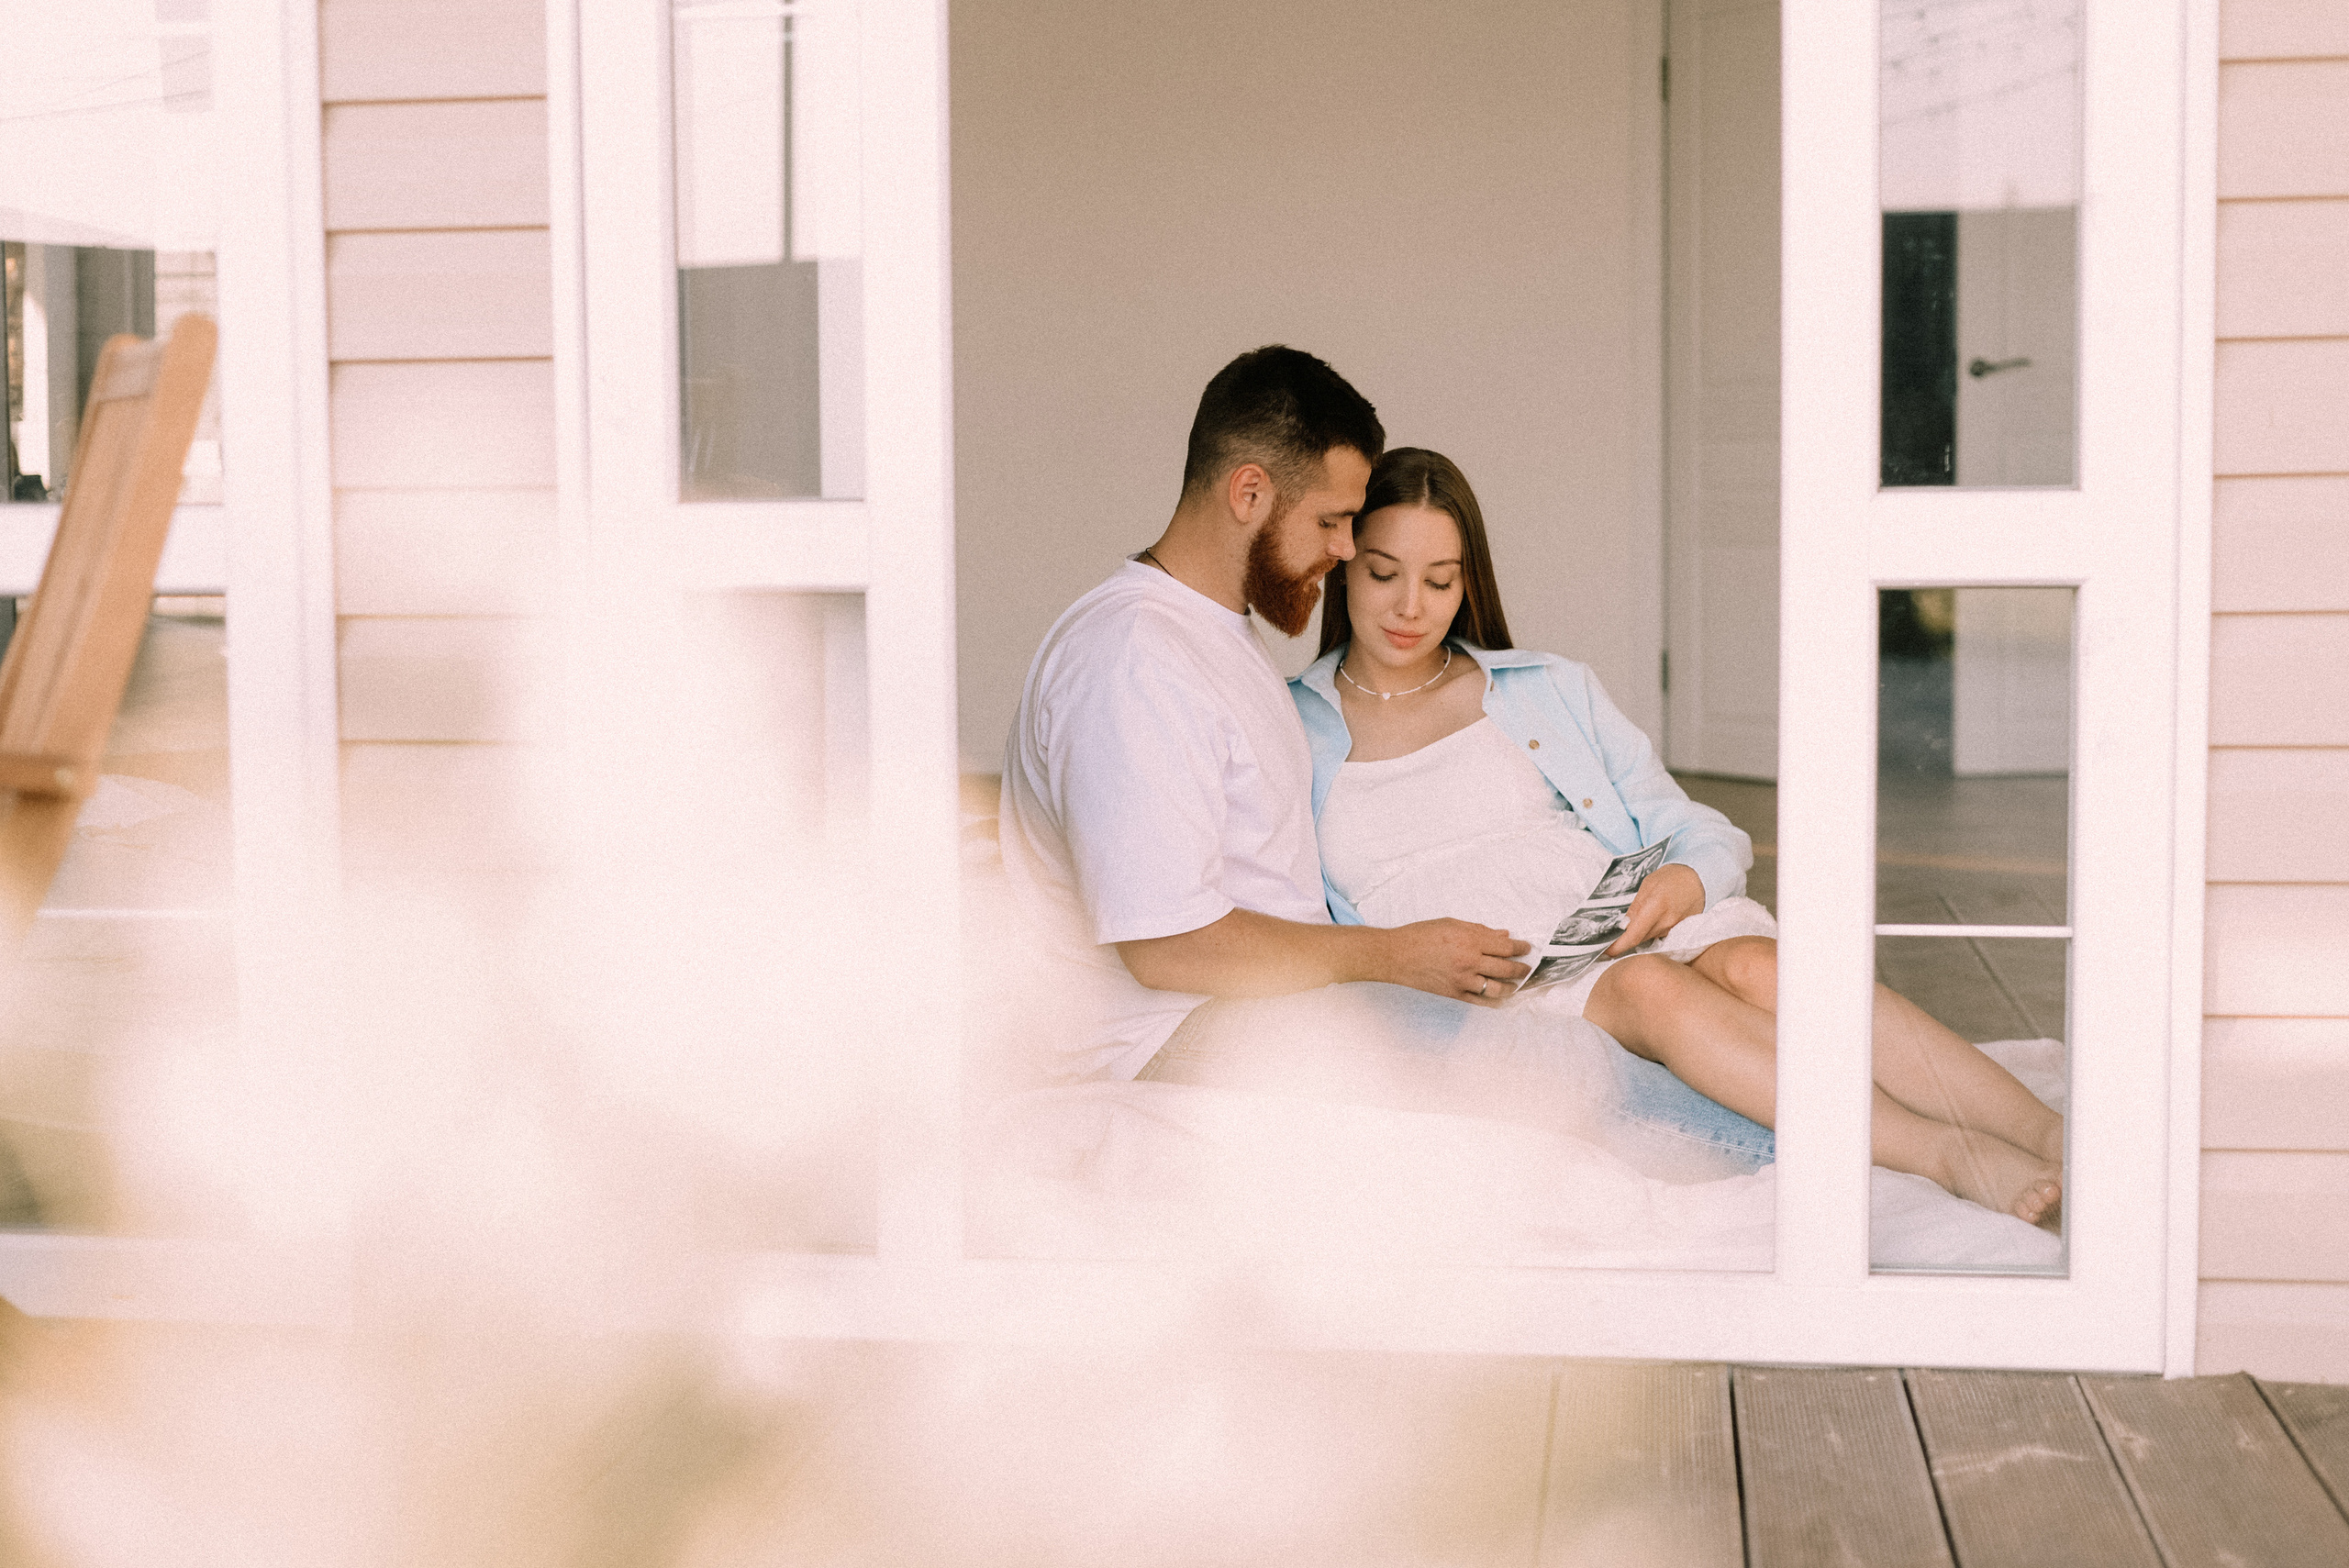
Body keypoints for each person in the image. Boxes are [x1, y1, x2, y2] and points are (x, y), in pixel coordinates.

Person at [1289, 448, 2065, 1226]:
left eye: (1440, 579)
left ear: (1468, 581)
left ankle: (2047, 1131)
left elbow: (1694, 826)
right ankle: (1941, 1150)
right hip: (1491, 974)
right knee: (1648, 988)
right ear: (1345, 561)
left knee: (1756, 966)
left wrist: (1686, 881)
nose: (1410, 607)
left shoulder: (1544, 687)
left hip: (1611, 916)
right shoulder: (1288, 723)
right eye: (1385, 573)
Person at [996, 347, 1533, 1087]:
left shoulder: (1213, 633)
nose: (1346, 549)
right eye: (1332, 521)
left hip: (1252, 1010)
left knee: (1561, 1032)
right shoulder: (1134, 660)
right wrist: (1392, 954)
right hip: (1161, 1044)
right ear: (1249, 492)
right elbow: (1167, 948)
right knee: (1539, 1065)